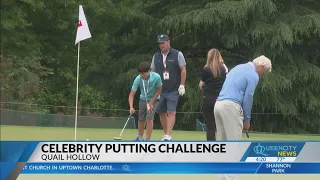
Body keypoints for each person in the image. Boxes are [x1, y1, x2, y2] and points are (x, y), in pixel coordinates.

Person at [214, 55, 272, 180]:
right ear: (261, 66)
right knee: (233, 144)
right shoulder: (254, 74)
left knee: (223, 145)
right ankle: (231, 176)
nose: (262, 76)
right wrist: (247, 120)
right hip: (231, 106)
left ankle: (222, 176)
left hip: (218, 105)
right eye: (264, 73)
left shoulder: (238, 67)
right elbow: (248, 98)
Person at [151, 34, 187, 141]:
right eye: (159, 43)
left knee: (171, 111)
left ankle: (168, 135)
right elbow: (152, 71)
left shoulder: (177, 54)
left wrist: (182, 85)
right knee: (161, 112)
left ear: (168, 42)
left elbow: (183, 69)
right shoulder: (156, 56)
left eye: (163, 43)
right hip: (160, 89)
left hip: (173, 89)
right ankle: (166, 133)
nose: (161, 45)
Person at [128, 61, 162, 141]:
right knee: (141, 118)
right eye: (140, 73)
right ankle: (139, 137)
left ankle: (147, 139)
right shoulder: (138, 79)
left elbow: (159, 91)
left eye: (143, 73)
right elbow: (131, 95)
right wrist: (131, 107)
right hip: (143, 99)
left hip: (154, 99)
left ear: (149, 71)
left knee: (149, 118)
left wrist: (151, 102)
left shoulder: (156, 77)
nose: (141, 75)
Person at [199, 48, 228, 141]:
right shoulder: (223, 69)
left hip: (208, 98)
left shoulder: (206, 69)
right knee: (222, 123)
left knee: (210, 124)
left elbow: (201, 84)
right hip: (220, 98)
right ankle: (224, 142)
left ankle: (211, 144)